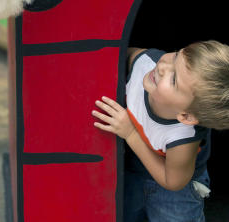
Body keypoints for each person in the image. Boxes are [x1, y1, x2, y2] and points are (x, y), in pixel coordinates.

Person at [92, 40, 229, 222]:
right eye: (176, 55)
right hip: (134, 166)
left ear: (186, 116)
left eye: (173, 80)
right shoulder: (145, 61)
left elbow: (173, 181)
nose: (163, 66)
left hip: (177, 187)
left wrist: (131, 133)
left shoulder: (183, 137)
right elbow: (117, 54)